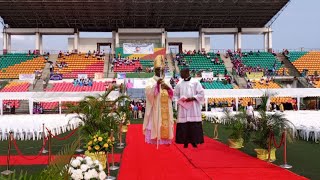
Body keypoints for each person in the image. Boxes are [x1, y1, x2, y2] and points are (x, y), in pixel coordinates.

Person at [143, 55, 174, 145]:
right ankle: (154, 138)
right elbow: (148, 93)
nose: (160, 72)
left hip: (165, 108)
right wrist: (156, 85)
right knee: (155, 122)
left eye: (162, 70)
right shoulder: (151, 80)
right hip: (155, 108)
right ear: (154, 70)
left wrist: (167, 87)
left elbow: (172, 94)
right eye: (158, 70)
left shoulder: (167, 81)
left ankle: (164, 140)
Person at [174, 68, 205, 148]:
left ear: (187, 72)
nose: (180, 74)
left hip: (193, 107)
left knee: (193, 125)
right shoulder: (179, 83)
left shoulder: (195, 82)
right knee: (184, 125)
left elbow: (201, 93)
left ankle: (194, 141)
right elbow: (176, 94)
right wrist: (180, 100)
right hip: (183, 107)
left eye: (182, 72)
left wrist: (192, 98)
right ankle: (185, 142)